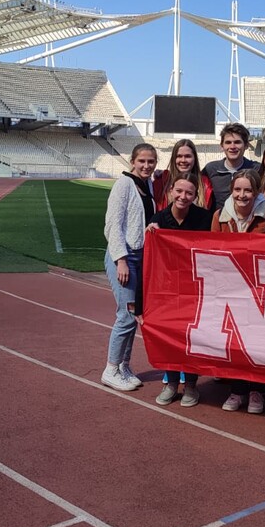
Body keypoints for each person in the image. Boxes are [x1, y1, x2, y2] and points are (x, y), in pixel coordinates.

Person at [146, 171, 213, 408]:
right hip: (167, 289)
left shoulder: (205, 218)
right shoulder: (159, 219)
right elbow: (150, 259)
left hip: (195, 287)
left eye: (189, 193)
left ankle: (191, 385)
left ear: (196, 196)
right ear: (171, 191)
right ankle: (171, 383)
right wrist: (152, 234)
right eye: (179, 191)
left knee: (192, 336)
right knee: (169, 336)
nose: (183, 196)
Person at [210, 169, 265, 412]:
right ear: (231, 191)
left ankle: (257, 390)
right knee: (234, 340)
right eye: (237, 190)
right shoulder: (219, 216)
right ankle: (237, 390)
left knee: (258, 341)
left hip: (261, 287)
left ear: (256, 192)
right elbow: (212, 249)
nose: (242, 195)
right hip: (232, 287)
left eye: (248, 190)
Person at [102, 143, 157, 392]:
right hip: (123, 257)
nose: (146, 166)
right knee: (125, 315)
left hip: (140, 257)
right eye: (142, 161)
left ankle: (124, 365)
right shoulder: (123, 184)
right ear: (132, 161)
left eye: (151, 161)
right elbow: (114, 224)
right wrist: (121, 259)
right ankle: (110, 369)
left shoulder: (149, 186)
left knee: (134, 316)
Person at [203, 123, 259, 210]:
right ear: (222, 146)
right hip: (218, 222)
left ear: (246, 145)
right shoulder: (210, 169)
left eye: (237, 142)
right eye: (228, 142)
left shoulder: (257, 169)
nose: (232, 147)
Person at [152, 139, 213, 212]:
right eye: (179, 156)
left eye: (188, 156)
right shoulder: (161, 182)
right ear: (174, 159)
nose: (183, 160)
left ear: (194, 158)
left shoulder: (205, 185)